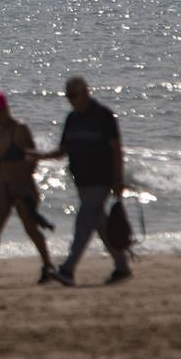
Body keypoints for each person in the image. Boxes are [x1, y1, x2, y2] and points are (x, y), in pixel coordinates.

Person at [33, 76, 132, 286]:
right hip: (82, 181)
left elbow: (116, 149)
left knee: (83, 222)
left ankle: (68, 269)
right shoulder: (72, 119)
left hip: (101, 180)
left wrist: (118, 179)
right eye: (68, 96)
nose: (70, 100)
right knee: (99, 224)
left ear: (86, 93)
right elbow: (63, 150)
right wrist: (38, 156)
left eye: (74, 96)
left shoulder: (104, 116)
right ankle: (122, 267)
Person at [0, 91, 57, 288]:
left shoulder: (20, 129)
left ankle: (48, 266)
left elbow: (33, 158)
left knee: (31, 229)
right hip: (2, 187)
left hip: (21, 188)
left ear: (4, 110)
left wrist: (24, 185)